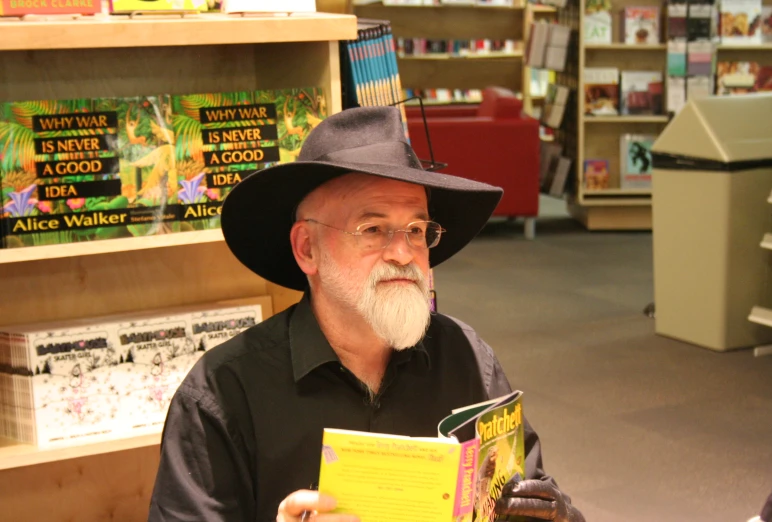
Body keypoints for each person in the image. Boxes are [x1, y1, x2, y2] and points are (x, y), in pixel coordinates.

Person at [148, 106, 585, 522]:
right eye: (372, 229)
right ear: (307, 249)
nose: (402, 253)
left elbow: (530, 497)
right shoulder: (222, 396)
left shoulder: (467, 360)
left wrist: (559, 514)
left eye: (416, 230)